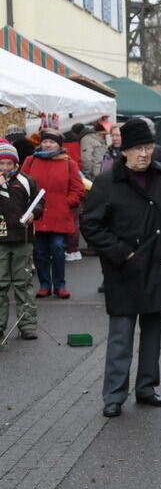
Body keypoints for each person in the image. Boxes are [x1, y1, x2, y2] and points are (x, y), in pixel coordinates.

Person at [81, 118, 161, 418]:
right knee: (121, 335)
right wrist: (122, 253)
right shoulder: (106, 181)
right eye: (138, 148)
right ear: (124, 150)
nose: (145, 154)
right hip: (125, 270)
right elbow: (90, 224)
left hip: (160, 265)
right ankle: (114, 395)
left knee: (153, 333)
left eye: (149, 147)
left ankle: (146, 388)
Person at [21, 129, 84, 299]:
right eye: (45, 141)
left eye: (52, 142)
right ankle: (44, 285)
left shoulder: (69, 163)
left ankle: (60, 284)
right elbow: (22, 184)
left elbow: (77, 189)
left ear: (59, 144)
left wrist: (67, 202)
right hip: (37, 214)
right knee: (40, 251)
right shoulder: (31, 160)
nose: (47, 144)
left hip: (59, 214)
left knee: (57, 248)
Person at [0, 142, 45, 341]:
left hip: (22, 238)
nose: (4, 168)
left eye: (8, 164)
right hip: (0, 241)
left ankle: (27, 324)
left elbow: (39, 202)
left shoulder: (26, 181)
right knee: (0, 284)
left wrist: (34, 213)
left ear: (15, 163)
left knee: (23, 282)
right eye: (0, 164)